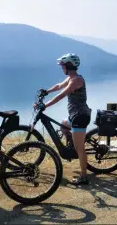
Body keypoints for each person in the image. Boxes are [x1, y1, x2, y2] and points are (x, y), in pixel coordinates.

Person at [34, 53, 91, 185]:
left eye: (63, 66)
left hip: (80, 116)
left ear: (68, 66)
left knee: (80, 148)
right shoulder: (72, 77)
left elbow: (62, 94)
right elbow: (59, 86)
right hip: (73, 116)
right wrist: (46, 91)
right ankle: (72, 145)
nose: (61, 68)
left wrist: (45, 105)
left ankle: (84, 177)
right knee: (63, 125)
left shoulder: (76, 80)